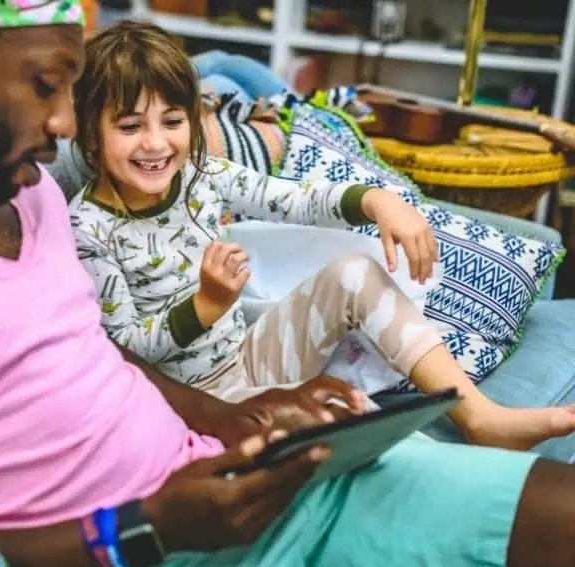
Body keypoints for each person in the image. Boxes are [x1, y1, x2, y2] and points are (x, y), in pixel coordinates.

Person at [0, 3, 575, 567]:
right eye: (49, 86)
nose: (63, 126)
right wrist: (136, 532)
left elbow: (100, 348)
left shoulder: (19, 193)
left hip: (229, 481)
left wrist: (239, 417)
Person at [68, 21, 575, 452]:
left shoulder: (201, 174)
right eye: (131, 126)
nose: (156, 143)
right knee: (345, 425)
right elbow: (129, 349)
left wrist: (374, 200)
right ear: (91, 136)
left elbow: (292, 198)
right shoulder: (87, 227)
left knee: (354, 273)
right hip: (199, 407)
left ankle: (480, 417)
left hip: (249, 357)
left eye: (173, 121)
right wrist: (205, 304)